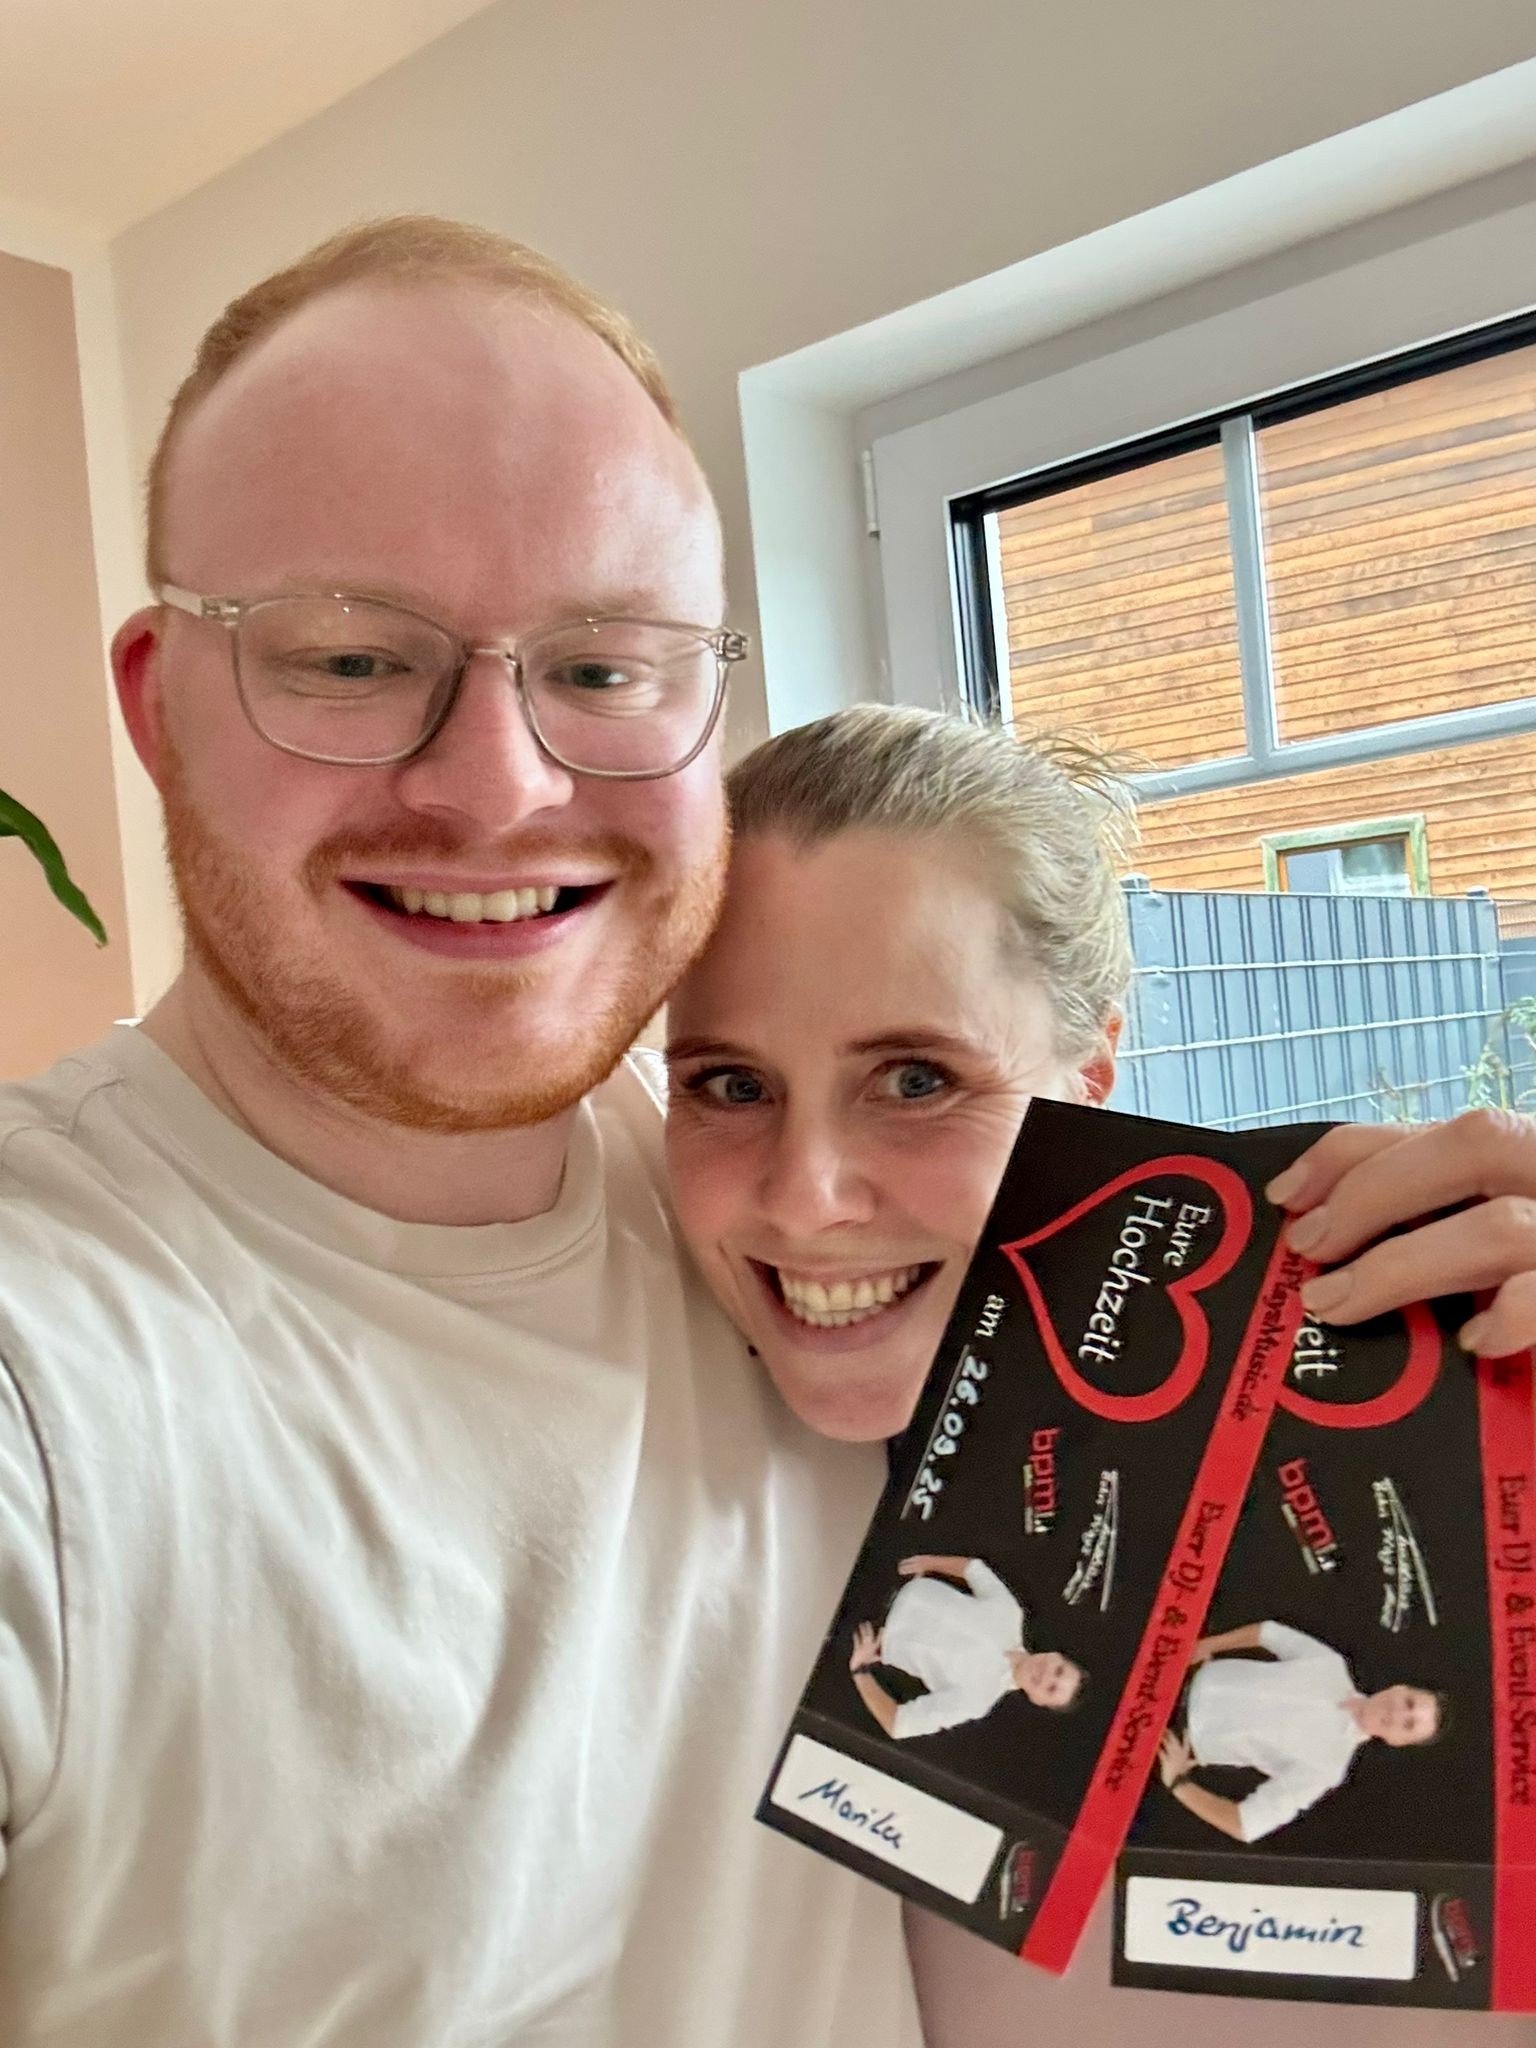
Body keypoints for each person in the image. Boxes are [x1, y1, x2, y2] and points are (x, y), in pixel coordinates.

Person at [0, 220, 921, 2047]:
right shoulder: (47, 1356)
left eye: (608, 668)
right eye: (350, 659)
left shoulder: (813, 1231)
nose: (498, 786)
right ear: (158, 708)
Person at [665, 700, 1536, 2046]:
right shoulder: (666, 1427)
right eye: (731, 1085)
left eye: (915, 1078)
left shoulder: (1432, 1399)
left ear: (1093, 1076)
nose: (807, 1196)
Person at [1155, 1621, 1443, 1842]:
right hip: (1170, 1670)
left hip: (1163, 1737)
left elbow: (1246, 1825)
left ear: (1397, 1742)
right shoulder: (1329, 1665)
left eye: (1408, 1724)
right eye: (1409, 1703)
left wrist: (1178, 1783)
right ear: (1398, 1688)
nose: (1397, 1714)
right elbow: (1269, 1632)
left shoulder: (1326, 1768)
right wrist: (1208, 1645)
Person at [848, 1553, 1083, 1739]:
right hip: (888, 1569)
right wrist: (929, 1562)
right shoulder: (1011, 1614)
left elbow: (898, 1725)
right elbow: (974, 1569)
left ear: (1038, 1700)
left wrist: (860, 1671)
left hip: (861, 1625)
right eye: (1058, 1670)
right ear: (1055, 1655)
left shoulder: (976, 1701)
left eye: (1051, 1688)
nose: (1046, 1675)